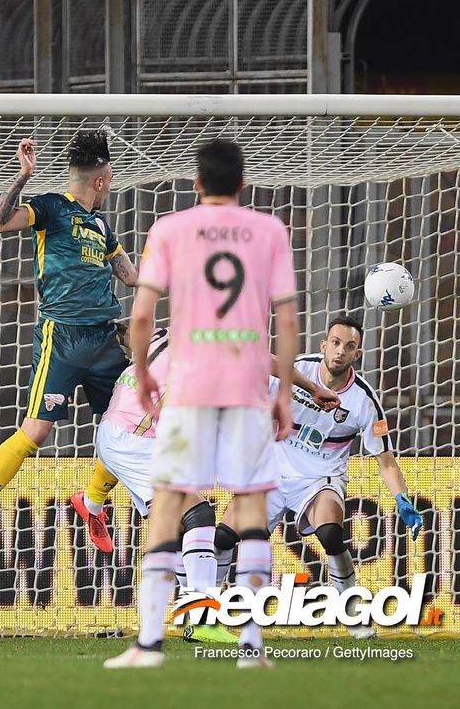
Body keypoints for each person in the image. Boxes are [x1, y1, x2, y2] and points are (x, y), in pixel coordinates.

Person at [103, 139, 297, 669]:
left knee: (169, 504)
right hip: (246, 388)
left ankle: (148, 644)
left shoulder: (168, 229)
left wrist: (142, 374)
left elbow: (142, 316)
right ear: (242, 184)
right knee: (252, 510)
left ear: (196, 183)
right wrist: (281, 392)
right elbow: (285, 318)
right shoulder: (269, 231)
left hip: (188, 389)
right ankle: (252, 647)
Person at [70, 324, 340, 645]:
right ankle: (202, 620)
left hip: (121, 433)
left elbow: (127, 333)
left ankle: (93, 503)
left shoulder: (171, 330)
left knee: (186, 526)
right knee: (199, 516)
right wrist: (310, 388)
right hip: (136, 439)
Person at [0, 131, 138, 560]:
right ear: (102, 180)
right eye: (111, 177)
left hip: (105, 338)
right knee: (36, 431)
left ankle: (90, 504)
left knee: (123, 428)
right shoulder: (50, 206)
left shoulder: (103, 226)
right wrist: (22, 176)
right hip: (63, 336)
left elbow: (130, 276)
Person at [215, 315, 423, 640]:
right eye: (336, 343)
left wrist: (402, 499)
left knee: (329, 534)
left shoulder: (364, 401)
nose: (340, 351)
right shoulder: (300, 370)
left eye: (349, 346)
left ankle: (353, 611)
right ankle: (204, 616)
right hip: (271, 469)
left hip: (320, 478)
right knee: (223, 538)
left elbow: (386, 461)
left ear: (357, 355)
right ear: (324, 345)